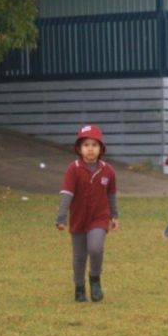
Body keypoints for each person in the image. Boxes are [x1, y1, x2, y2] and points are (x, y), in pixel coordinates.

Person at [56, 125, 119, 302]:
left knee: (95, 248)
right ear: (79, 148)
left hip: (99, 218)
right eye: (86, 145)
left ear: (101, 148)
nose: (90, 148)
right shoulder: (73, 169)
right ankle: (79, 287)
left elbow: (111, 194)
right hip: (78, 219)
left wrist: (114, 215)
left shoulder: (108, 170)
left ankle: (95, 280)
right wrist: (61, 217)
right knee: (79, 257)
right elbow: (66, 193)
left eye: (94, 144)